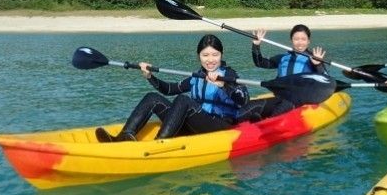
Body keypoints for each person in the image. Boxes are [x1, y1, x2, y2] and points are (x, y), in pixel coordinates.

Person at [95, 34, 249, 142]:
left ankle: (160, 142)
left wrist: (224, 85)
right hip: (196, 125)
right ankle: (125, 136)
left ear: (221, 55)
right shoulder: (197, 76)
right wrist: (150, 76)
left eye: (215, 55)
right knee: (152, 98)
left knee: (183, 100)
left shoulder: (229, 74)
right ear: (198, 56)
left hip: (220, 125)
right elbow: (169, 90)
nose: (210, 60)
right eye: (205, 55)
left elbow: (243, 100)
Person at [246, 24, 328, 118]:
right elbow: (260, 63)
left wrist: (318, 64)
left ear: (308, 41)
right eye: (296, 39)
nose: (300, 42)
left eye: (303, 39)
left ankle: (267, 121)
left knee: (285, 105)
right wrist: (256, 45)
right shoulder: (283, 58)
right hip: (280, 98)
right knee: (251, 106)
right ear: (291, 40)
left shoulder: (314, 59)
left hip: (300, 101)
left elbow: (326, 81)